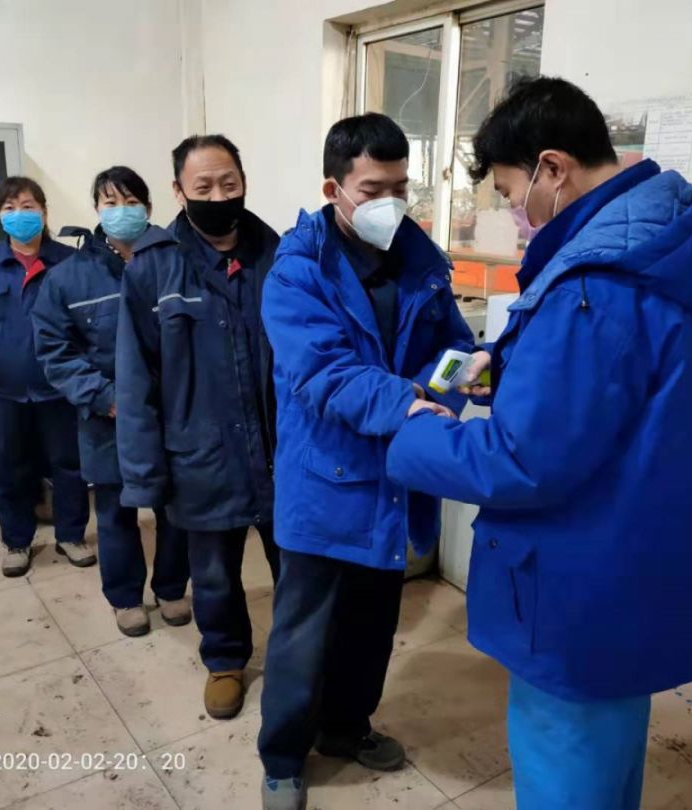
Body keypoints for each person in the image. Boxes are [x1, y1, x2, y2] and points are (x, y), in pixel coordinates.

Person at [386, 77, 692, 810]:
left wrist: (412, 433)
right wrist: (520, 373)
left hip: (580, 587)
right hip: (639, 561)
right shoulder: (669, 245)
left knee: (566, 759)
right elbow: (629, 395)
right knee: (609, 751)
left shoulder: (594, 283)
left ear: (552, 168)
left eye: (509, 191)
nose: (514, 213)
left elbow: (522, 462)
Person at [256, 113, 475, 810]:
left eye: (401, 187)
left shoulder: (419, 259)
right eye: (374, 189)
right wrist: (412, 402)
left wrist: (465, 377)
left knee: (372, 625)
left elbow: (452, 346)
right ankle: (283, 757)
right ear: (334, 189)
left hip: (395, 476)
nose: (391, 202)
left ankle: (347, 728)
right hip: (325, 479)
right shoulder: (298, 271)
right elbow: (324, 375)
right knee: (304, 633)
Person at [115, 135, 279, 720]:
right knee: (213, 576)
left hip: (280, 452)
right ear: (178, 191)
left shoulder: (279, 257)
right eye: (203, 186)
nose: (217, 196)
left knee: (298, 569)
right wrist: (144, 477)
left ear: (244, 183)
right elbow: (136, 381)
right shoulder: (154, 268)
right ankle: (225, 661)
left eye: (228, 184)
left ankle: (297, 660)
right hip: (202, 455)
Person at [33, 166, 192, 636]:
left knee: (176, 508)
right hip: (109, 417)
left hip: (173, 413)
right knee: (115, 510)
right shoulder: (69, 277)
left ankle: (171, 588)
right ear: (96, 210)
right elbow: (54, 350)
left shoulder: (176, 261)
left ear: (148, 206)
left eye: (131, 201)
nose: (121, 211)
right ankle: (125, 598)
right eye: (110, 203)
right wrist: (104, 397)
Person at [0, 176, 95, 578]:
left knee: (69, 465)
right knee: (9, 467)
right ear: (0, 216)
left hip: (60, 387)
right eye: (9, 208)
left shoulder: (70, 262)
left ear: (44, 212)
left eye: (28, 206)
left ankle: (71, 535)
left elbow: (87, 325)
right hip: (1, 389)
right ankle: (17, 541)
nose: (19, 215)